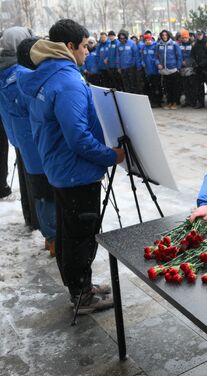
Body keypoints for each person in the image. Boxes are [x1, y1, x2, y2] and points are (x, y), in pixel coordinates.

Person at [18, 19, 125, 312]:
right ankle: (82, 294)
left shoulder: (45, 75)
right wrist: (109, 156)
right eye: (84, 45)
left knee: (68, 232)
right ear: (69, 47)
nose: (88, 51)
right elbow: (78, 137)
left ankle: (80, 285)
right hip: (76, 172)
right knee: (80, 235)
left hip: (59, 168)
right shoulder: (67, 82)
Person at [0, 29, 55, 255]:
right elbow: (37, 107)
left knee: (38, 189)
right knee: (47, 191)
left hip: (20, 137)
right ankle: (53, 239)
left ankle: (46, 233)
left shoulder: (3, 72)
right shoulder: (20, 74)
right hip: (35, 139)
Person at [0, 27, 39, 229]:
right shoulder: (17, 71)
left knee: (26, 177)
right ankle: (36, 219)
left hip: (16, 131)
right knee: (34, 180)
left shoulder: (4, 67)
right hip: (29, 133)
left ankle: (30, 217)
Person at [156, 29, 182, 110]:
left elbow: (179, 56)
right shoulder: (159, 45)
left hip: (173, 69)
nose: (164, 36)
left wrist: (178, 67)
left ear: (168, 35)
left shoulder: (174, 44)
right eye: (163, 35)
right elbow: (156, 57)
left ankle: (174, 102)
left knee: (174, 87)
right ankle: (169, 102)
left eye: (166, 35)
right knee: (167, 88)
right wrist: (158, 64)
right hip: (164, 70)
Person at [116, 29, 141, 94]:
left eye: (123, 38)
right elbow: (118, 56)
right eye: (120, 38)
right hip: (123, 68)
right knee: (125, 84)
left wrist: (137, 66)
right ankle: (128, 95)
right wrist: (118, 67)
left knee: (133, 83)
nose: (122, 39)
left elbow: (136, 55)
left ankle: (134, 95)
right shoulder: (119, 45)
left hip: (131, 67)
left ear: (126, 37)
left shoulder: (132, 44)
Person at [141, 34, 162, 108]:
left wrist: (155, 62)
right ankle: (152, 101)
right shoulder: (143, 48)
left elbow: (157, 57)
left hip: (155, 70)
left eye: (149, 40)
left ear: (152, 40)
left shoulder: (155, 47)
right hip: (148, 71)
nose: (147, 41)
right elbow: (142, 57)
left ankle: (159, 101)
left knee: (157, 86)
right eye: (146, 40)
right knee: (151, 87)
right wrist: (142, 62)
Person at [178, 29, 196, 108]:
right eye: (183, 38)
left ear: (188, 38)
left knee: (191, 85)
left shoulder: (192, 46)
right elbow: (178, 55)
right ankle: (187, 100)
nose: (185, 39)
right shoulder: (179, 46)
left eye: (186, 38)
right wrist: (181, 62)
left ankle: (192, 100)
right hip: (182, 67)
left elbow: (193, 56)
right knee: (185, 85)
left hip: (190, 67)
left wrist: (187, 62)